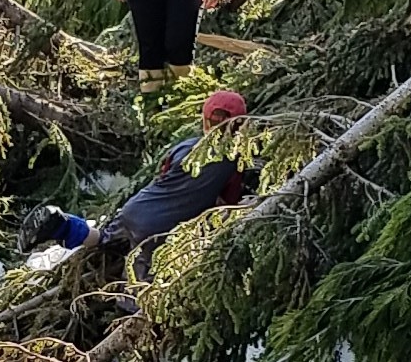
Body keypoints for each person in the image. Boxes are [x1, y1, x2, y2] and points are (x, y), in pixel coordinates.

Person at [18, 90, 254, 277]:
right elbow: (228, 203)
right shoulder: (235, 161)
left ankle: (63, 224)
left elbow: (162, 175)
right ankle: (129, 313)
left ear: (205, 121)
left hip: (138, 206)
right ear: (240, 124)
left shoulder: (185, 147)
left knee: (102, 237)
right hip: (158, 228)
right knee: (141, 284)